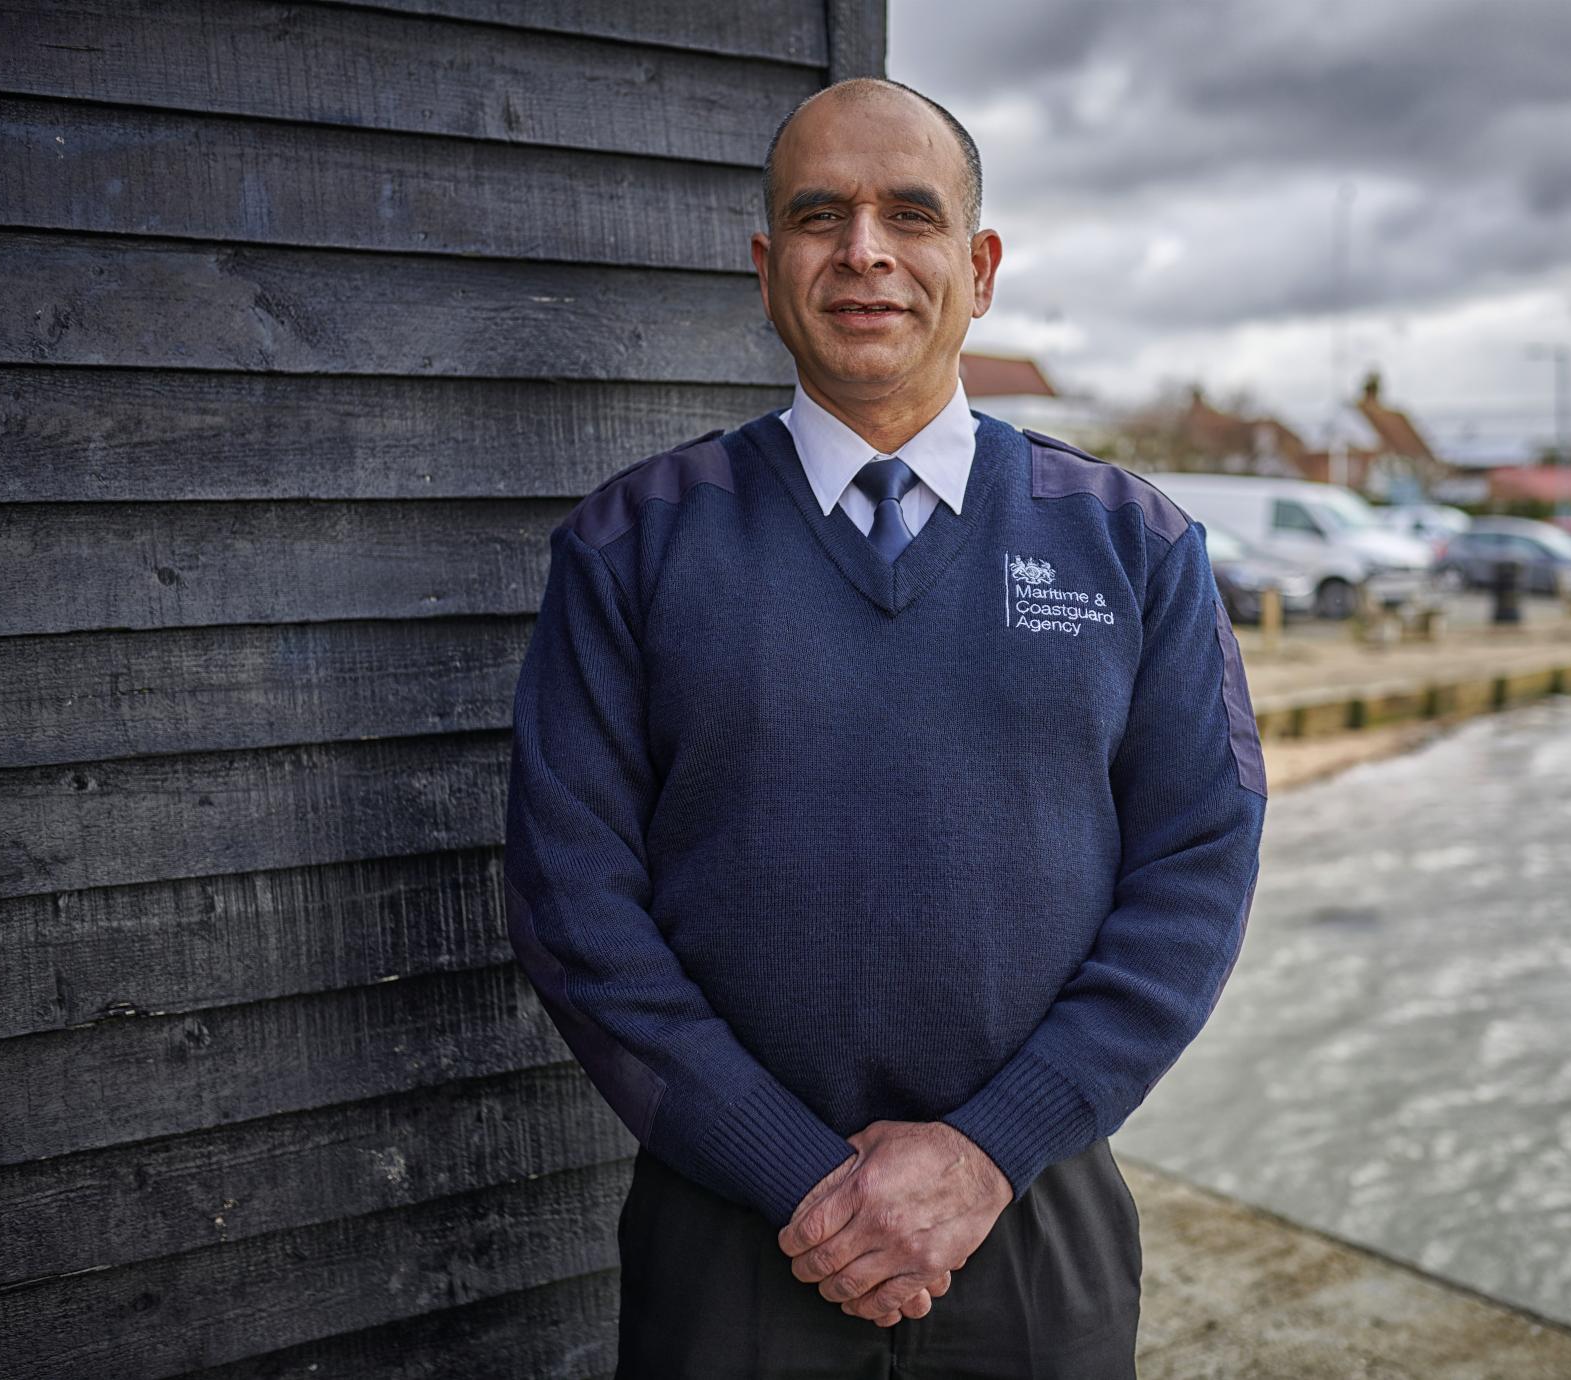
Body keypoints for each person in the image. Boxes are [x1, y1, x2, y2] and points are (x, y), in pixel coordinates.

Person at [502, 75, 1268, 1378]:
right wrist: (793, 1173)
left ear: (978, 266)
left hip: (1035, 1227)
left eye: (909, 217)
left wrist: (988, 1148)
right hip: (730, 1242)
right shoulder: (633, 545)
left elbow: (1198, 863)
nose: (864, 253)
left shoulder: (1132, 545)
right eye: (820, 216)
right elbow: (573, 901)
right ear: (765, 267)